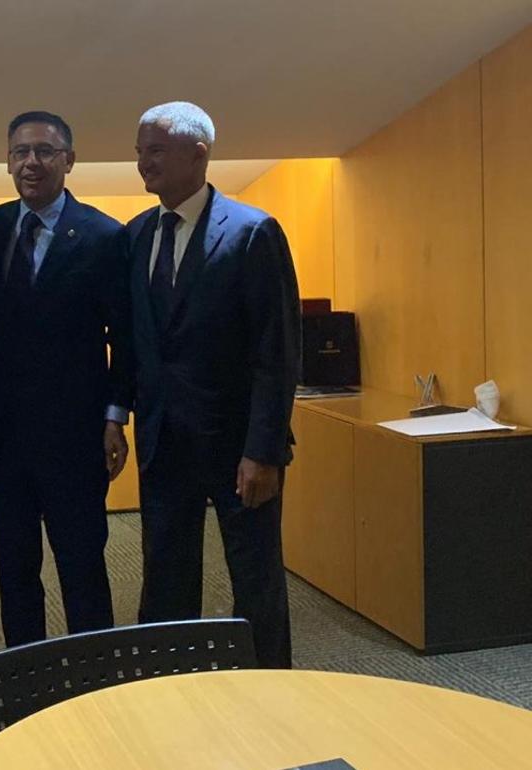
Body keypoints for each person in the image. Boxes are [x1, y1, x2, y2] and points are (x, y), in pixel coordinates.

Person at [118, 102, 301, 668]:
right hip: (163, 442)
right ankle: (169, 692)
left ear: (198, 155)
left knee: (256, 583)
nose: (143, 161)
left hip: (238, 449)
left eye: (155, 149)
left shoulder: (252, 232)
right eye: (140, 150)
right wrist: (116, 414)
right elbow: (132, 340)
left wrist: (263, 451)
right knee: (165, 579)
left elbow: (278, 352)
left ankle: (272, 694)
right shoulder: (136, 235)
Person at [0, 111, 130, 648]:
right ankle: (28, 687)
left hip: (76, 431)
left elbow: (125, 336)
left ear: (69, 160)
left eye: (44, 151)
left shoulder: (105, 236)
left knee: (82, 564)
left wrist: (115, 416)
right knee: (14, 569)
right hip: (2, 433)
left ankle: (96, 686)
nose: (31, 162)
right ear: (7, 161)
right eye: (20, 152)